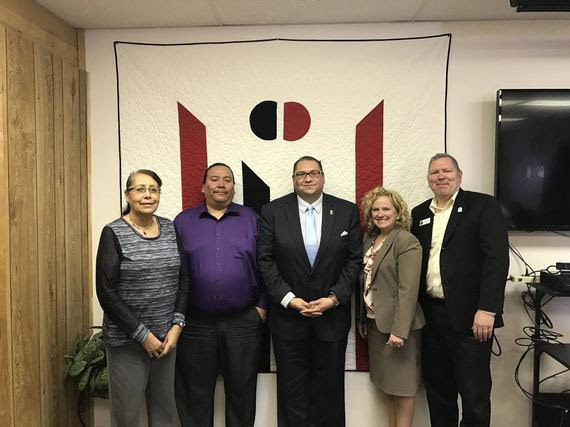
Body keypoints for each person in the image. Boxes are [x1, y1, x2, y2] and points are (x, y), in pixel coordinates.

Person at [257, 155, 362, 427]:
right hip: (288, 319)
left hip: (332, 318)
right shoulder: (273, 211)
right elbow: (265, 261)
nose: (308, 178)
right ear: (293, 180)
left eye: (313, 173)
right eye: (301, 174)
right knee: (292, 392)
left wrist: (333, 298)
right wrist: (290, 300)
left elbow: (354, 260)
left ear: (323, 177)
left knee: (330, 392)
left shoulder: (346, 211)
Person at [410, 153, 509, 427]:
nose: (441, 176)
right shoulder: (419, 214)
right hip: (431, 317)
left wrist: (488, 309)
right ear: (428, 179)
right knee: (438, 393)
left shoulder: (483, 206)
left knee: (474, 396)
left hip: (472, 320)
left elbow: (496, 260)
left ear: (459, 175)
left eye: (447, 171)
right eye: (434, 172)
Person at [174, 162, 267, 427]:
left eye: (227, 180)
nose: (221, 184)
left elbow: (267, 264)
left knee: (242, 392)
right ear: (203, 187)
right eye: (215, 179)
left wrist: (261, 308)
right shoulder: (183, 222)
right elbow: (174, 271)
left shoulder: (251, 219)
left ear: (233, 188)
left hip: (243, 322)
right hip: (195, 324)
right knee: (195, 394)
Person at [96, 169, 189, 426]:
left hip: (166, 341)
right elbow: (106, 291)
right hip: (127, 342)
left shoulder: (170, 228)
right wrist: (143, 336)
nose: (147, 195)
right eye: (140, 189)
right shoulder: (113, 232)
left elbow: (184, 278)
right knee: (126, 416)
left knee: (163, 414)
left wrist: (176, 326)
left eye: (153, 189)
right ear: (128, 195)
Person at [357, 186, 424, 427]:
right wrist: (362, 318)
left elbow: (408, 290)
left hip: (398, 328)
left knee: (403, 389)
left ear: (398, 212)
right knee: (388, 386)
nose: (380, 213)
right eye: (375, 209)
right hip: (376, 325)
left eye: (386, 208)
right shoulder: (369, 239)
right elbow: (364, 283)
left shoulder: (406, 240)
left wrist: (399, 330)